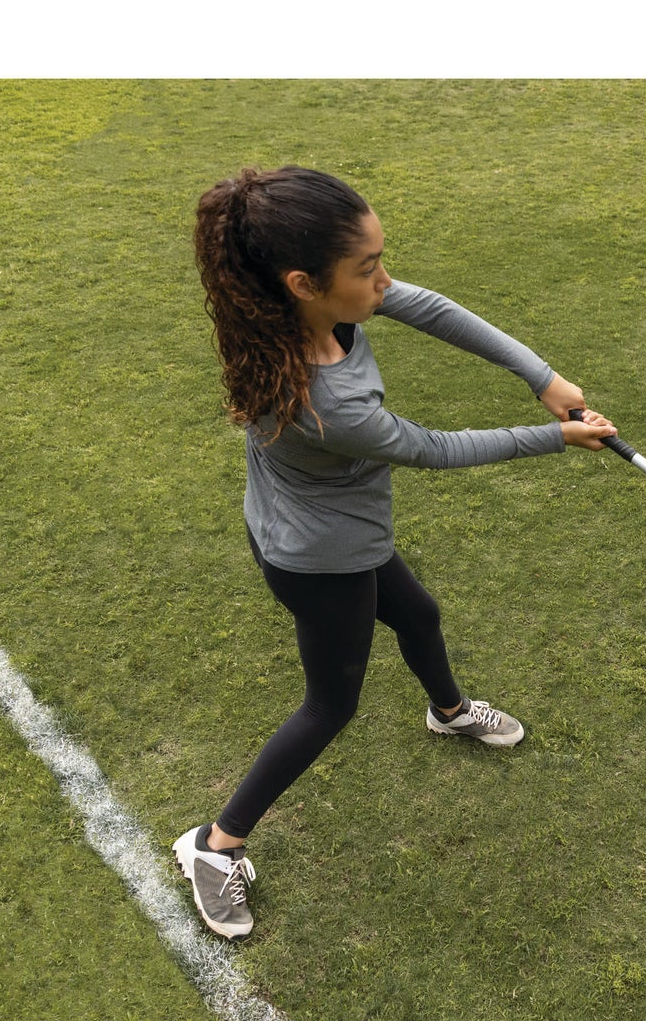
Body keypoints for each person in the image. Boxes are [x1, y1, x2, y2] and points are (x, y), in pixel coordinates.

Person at [172, 166, 617, 939]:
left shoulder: (303, 311)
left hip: (314, 526)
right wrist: (558, 435)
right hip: (321, 559)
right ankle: (215, 846)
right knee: (330, 704)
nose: (384, 279)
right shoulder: (329, 403)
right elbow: (433, 448)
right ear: (305, 282)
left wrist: (541, 376)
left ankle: (448, 711)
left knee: (417, 612)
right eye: (368, 267)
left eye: (381, 258)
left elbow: (434, 308)